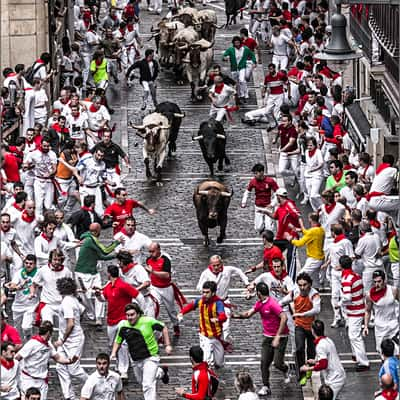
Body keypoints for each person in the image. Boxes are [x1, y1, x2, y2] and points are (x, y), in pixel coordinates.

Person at [233, 282, 289, 396]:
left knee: (278, 363)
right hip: (267, 337)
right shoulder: (259, 304)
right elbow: (248, 314)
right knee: (264, 363)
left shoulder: (272, 304)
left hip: (281, 337)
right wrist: (234, 316)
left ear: (258, 293)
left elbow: (284, 317)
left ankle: (285, 368)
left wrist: (278, 336)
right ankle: (266, 386)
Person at [111, 303, 171, 400]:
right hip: (135, 359)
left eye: (132, 314)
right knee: (141, 381)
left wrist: (167, 345)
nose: (130, 317)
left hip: (151, 357)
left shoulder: (148, 321)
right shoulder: (123, 325)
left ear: (138, 314)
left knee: (147, 385)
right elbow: (118, 340)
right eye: (127, 315)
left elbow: (163, 327)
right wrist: (113, 353)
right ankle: (161, 372)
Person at [95, 264, 145, 379]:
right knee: (113, 344)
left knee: (122, 345)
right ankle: (119, 364)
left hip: (122, 320)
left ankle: (123, 370)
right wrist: (98, 296)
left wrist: (140, 313)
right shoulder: (109, 286)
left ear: (109, 274)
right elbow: (104, 298)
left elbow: (139, 296)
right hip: (111, 320)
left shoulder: (123, 286)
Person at [15, 321, 78, 399]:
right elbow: (17, 357)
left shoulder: (48, 345)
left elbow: (57, 358)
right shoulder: (32, 344)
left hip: (42, 381)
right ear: (49, 332)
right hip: (28, 379)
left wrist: (70, 361)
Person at [75, 222, 122, 326]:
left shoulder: (90, 239)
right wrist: (116, 243)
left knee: (99, 293)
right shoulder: (90, 240)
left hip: (93, 273)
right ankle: (90, 314)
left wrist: (116, 255)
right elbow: (105, 251)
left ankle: (98, 318)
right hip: (82, 274)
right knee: (85, 296)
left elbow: (100, 256)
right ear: (97, 231)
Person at [196, 255, 250, 341]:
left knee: (226, 324)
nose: (216, 267)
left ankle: (223, 342)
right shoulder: (206, 273)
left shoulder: (227, 270)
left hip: (224, 301)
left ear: (221, 263)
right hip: (211, 303)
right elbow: (199, 287)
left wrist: (247, 283)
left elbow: (239, 271)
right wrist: (207, 290)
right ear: (210, 264)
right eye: (214, 265)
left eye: (218, 265)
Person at [281, 272, 321, 385]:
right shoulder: (295, 292)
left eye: (305, 285)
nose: (302, 287)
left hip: (311, 327)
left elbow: (317, 309)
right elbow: (283, 301)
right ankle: (302, 373)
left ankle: (310, 366)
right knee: (299, 348)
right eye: (300, 285)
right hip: (299, 325)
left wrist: (302, 314)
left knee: (311, 350)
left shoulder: (314, 294)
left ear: (310, 284)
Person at [179, 281, 227, 369]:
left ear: (213, 293)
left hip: (217, 336)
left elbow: (223, 316)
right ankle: (208, 377)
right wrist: (182, 312)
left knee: (219, 363)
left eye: (207, 292)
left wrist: (218, 319)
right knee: (206, 360)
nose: (204, 294)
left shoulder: (218, 303)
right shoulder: (200, 300)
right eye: (203, 292)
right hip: (205, 336)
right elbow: (191, 305)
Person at [54, 277, 88, 400]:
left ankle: (92, 384)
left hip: (73, 340)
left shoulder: (67, 302)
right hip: (68, 339)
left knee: (74, 369)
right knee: (60, 366)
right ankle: (69, 396)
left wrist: (62, 339)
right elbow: (83, 311)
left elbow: (71, 323)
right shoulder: (73, 300)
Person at [300, 320, 345, 400]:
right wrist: (314, 361)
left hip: (334, 379)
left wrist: (308, 368)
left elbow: (323, 364)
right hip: (337, 375)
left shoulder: (320, 345)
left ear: (313, 331)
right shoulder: (328, 340)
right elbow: (327, 358)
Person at [263, 187, 302, 280]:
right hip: (281, 237)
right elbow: (275, 216)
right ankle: (274, 274)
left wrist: (300, 229)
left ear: (279, 197)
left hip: (291, 237)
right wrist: (265, 212)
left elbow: (298, 215)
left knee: (290, 257)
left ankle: (291, 280)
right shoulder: (280, 207)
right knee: (271, 251)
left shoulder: (289, 205)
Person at [339, 255, 370, 371]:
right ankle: (356, 355)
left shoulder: (346, 279)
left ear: (341, 266)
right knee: (353, 335)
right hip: (358, 308)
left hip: (354, 311)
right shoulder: (356, 275)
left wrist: (339, 304)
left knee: (354, 336)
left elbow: (347, 297)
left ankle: (363, 362)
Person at [146, 242, 183, 337]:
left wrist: (153, 272)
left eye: (153, 251)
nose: (151, 254)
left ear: (158, 250)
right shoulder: (148, 260)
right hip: (154, 288)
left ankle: (175, 325)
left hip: (166, 288)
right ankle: (156, 331)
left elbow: (166, 275)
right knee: (153, 308)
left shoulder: (165, 260)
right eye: (149, 251)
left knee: (171, 310)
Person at [30, 249, 73, 325]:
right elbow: (34, 284)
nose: (57, 262)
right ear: (50, 259)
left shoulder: (67, 272)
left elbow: (71, 288)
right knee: (47, 326)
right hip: (47, 304)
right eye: (55, 259)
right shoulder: (43, 270)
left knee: (63, 329)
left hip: (61, 304)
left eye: (59, 260)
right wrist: (32, 293)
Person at [364, 270, 399, 354]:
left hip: (394, 326)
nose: (377, 284)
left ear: (384, 280)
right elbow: (367, 311)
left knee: (397, 351)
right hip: (380, 328)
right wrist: (365, 326)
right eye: (375, 282)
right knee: (382, 353)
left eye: (379, 281)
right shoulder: (370, 296)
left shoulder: (393, 291)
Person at [325, 224, 354, 328]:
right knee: (334, 295)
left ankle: (347, 318)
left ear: (333, 232)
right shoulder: (333, 243)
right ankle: (337, 317)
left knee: (344, 295)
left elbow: (351, 257)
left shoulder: (346, 242)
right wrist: (327, 264)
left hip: (343, 273)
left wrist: (342, 267)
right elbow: (332, 256)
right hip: (334, 273)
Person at [24, 136, 58, 217]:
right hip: (38, 181)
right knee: (38, 205)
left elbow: (54, 168)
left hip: (49, 182)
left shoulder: (52, 154)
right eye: (44, 146)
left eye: (48, 146)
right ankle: (38, 222)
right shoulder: (34, 153)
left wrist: (49, 174)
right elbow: (26, 164)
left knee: (48, 205)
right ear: (41, 144)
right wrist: (28, 166)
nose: (46, 148)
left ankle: (48, 221)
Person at [7, 254, 38, 340]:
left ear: (35, 264)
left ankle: (29, 344)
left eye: (31, 263)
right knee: (17, 330)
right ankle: (20, 346)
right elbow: (12, 286)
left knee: (26, 327)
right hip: (18, 305)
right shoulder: (19, 273)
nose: (28, 265)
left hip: (31, 305)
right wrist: (19, 286)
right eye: (26, 263)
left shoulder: (38, 274)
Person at [241, 163, 279, 233]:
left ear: (261, 172)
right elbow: (247, 191)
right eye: (254, 174)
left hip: (268, 207)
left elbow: (278, 193)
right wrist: (244, 202)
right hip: (258, 207)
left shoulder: (270, 181)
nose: (255, 175)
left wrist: (272, 204)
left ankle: (269, 231)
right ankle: (263, 228)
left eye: (256, 173)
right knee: (258, 228)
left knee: (269, 228)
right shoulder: (253, 181)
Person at [292, 213, 325, 289]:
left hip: (314, 259)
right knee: (316, 277)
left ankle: (296, 292)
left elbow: (300, 243)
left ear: (310, 220)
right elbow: (309, 233)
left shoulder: (312, 232)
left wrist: (291, 239)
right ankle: (319, 289)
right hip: (320, 257)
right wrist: (301, 228)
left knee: (301, 275)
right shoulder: (321, 229)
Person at [222, 36, 256, 102]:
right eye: (235, 43)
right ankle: (239, 94)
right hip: (234, 68)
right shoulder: (230, 49)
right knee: (236, 83)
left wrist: (254, 62)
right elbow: (224, 55)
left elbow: (252, 55)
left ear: (240, 43)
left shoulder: (245, 49)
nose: (237, 44)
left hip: (242, 67)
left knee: (241, 80)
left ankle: (244, 95)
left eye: (238, 42)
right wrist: (225, 58)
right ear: (233, 43)